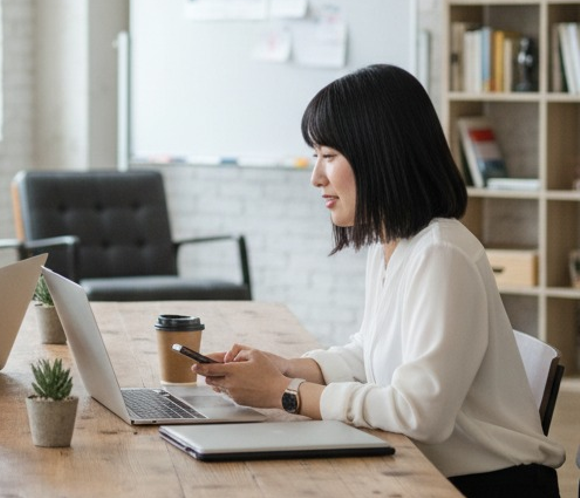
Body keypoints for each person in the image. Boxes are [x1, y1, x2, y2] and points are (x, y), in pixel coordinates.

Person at [191, 64, 565, 497]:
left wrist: (285, 393)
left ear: (379, 154)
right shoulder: (393, 245)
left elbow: (420, 413)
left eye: (328, 156)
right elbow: (371, 354)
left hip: (491, 486)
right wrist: (288, 367)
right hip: (434, 471)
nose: (316, 177)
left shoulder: (442, 254)